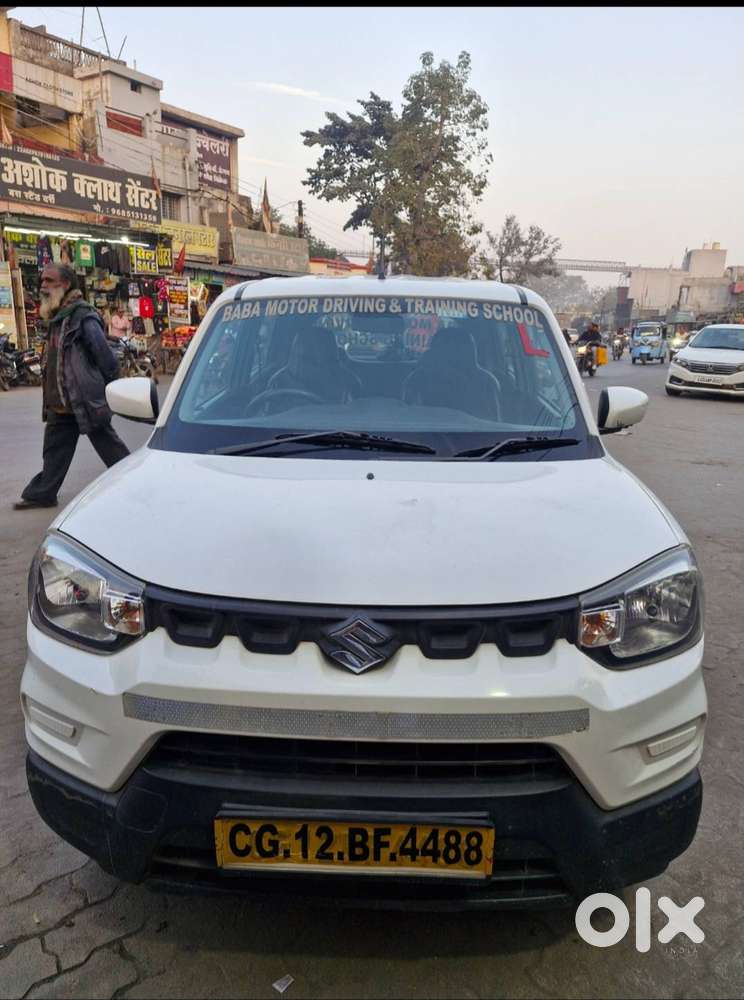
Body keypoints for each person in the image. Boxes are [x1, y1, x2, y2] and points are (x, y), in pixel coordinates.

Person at [13, 264, 130, 510]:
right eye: (42, 280)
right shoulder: (57, 315)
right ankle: (43, 494)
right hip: (60, 401)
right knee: (54, 451)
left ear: (65, 284)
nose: (43, 285)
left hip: (83, 399)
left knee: (110, 447)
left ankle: (135, 481)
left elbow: (105, 357)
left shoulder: (83, 315)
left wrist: (112, 388)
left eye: (49, 280)